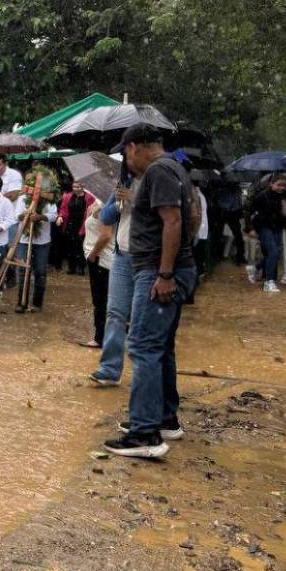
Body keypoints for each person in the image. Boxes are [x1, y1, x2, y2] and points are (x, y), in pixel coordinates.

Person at [104, 124, 198, 459]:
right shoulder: (175, 169)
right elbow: (190, 218)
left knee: (143, 345)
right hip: (168, 268)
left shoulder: (159, 171)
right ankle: (163, 418)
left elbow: (174, 221)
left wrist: (166, 273)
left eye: (125, 153)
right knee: (161, 347)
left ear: (135, 146)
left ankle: (144, 433)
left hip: (159, 272)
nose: (126, 161)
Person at [88, 169, 138, 387]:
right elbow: (107, 217)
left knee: (140, 315)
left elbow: (164, 214)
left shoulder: (159, 178)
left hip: (148, 256)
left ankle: (143, 371)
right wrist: (118, 201)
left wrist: (135, 199)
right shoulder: (124, 181)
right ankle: (109, 369)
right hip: (122, 255)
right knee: (114, 312)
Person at [13, 187, 58, 313]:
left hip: (42, 241)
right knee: (23, 270)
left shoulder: (49, 198)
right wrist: (26, 214)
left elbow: (54, 216)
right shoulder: (23, 197)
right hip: (24, 240)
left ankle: (37, 303)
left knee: (40, 272)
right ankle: (21, 302)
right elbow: (17, 216)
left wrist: (40, 217)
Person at [82, 198, 115, 348]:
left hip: (101, 259)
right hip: (100, 258)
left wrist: (93, 255)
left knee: (101, 300)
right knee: (102, 299)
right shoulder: (100, 202)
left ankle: (100, 338)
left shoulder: (106, 205)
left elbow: (106, 235)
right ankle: (105, 336)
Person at [249, 173, 286, 293]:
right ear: (271, 184)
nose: (281, 187)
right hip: (264, 226)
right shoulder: (262, 196)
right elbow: (250, 211)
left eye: (284, 185)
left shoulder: (284, 196)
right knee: (273, 251)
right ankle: (268, 282)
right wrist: (250, 228)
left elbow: (285, 213)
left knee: (276, 252)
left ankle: (256, 268)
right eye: (279, 185)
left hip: (277, 227)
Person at [57, 181, 95, 275]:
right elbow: (63, 209)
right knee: (70, 246)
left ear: (83, 187)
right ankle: (71, 267)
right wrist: (60, 217)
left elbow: (91, 211)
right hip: (70, 224)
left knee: (81, 247)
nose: (76, 189)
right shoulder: (67, 196)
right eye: (74, 187)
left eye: (78, 187)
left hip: (82, 223)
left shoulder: (89, 197)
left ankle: (81, 267)